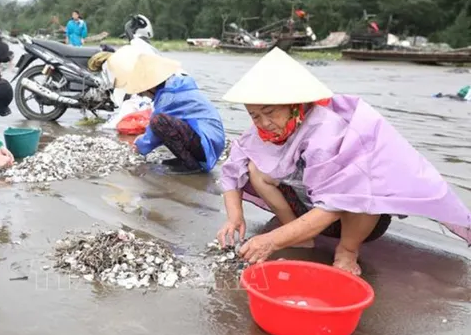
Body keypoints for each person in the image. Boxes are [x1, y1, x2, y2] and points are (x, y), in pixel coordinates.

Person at [216, 48, 471, 275]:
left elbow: (338, 203)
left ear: (295, 105)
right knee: (253, 167)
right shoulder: (265, 131)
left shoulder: (328, 128)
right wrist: (235, 217)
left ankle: (347, 251)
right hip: (311, 207)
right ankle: (297, 233)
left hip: (356, 214)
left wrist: (272, 241)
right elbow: (232, 170)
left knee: (363, 182)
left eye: (269, 113)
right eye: (254, 116)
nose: (262, 123)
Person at [107, 46, 226, 174]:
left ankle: (190, 165)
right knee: (159, 122)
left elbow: (155, 131)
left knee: (159, 122)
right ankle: (188, 160)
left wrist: (139, 146)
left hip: (206, 141)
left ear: (150, 87)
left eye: (141, 91)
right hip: (212, 140)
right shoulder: (176, 85)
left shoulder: (168, 97)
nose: (141, 95)